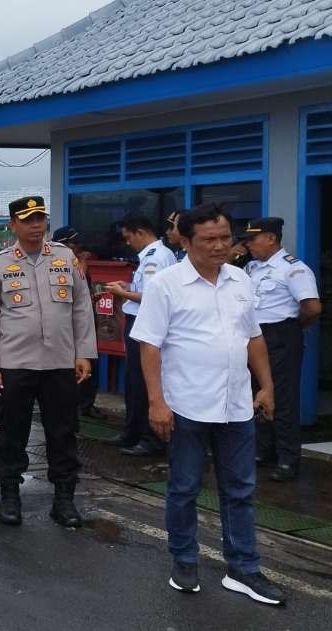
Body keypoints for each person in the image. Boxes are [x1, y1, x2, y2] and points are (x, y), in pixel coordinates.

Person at [130, 203, 284, 605]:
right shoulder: (166, 283)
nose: (220, 246)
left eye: (224, 237)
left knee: (240, 490)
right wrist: (156, 402)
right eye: (209, 239)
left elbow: (253, 337)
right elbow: (149, 345)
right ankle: (184, 558)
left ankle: (243, 569)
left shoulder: (240, 280)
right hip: (186, 406)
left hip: (236, 406)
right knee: (183, 488)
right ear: (185, 240)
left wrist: (265, 386)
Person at [0, 196, 97, 527]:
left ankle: (64, 499)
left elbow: (81, 309)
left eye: (40, 219)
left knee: (63, 432)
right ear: (12, 225)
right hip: (15, 363)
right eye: (27, 220)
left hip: (60, 362)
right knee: (12, 432)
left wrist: (84, 353)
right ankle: (11, 495)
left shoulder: (64, 258)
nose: (35, 226)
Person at [241, 217, 321, 482]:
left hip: (282, 335)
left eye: (254, 239)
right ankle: (265, 451)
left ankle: (288, 459)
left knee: (283, 399)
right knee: (258, 393)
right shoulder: (252, 267)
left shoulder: (294, 269)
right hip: (255, 336)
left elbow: (312, 307)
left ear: (272, 238)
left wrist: (294, 327)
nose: (249, 245)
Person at [105, 213, 178, 456]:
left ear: (140, 233)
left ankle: (150, 438)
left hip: (145, 322)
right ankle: (133, 431)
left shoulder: (155, 258)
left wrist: (122, 293)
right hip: (138, 321)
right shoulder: (152, 256)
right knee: (134, 381)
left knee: (143, 382)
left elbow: (152, 296)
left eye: (129, 238)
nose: (128, 243)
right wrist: (128, 288)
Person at [53, 226, 107, 421]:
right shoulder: (60, 262)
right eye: (75, 244)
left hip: (86, 322)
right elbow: (75, 285)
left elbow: (83, 291)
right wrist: (82, 261)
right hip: (67, 328)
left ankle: (86, 404)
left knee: (90, 362)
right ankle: (71, 408)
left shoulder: (75, 260)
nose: (79, 248)